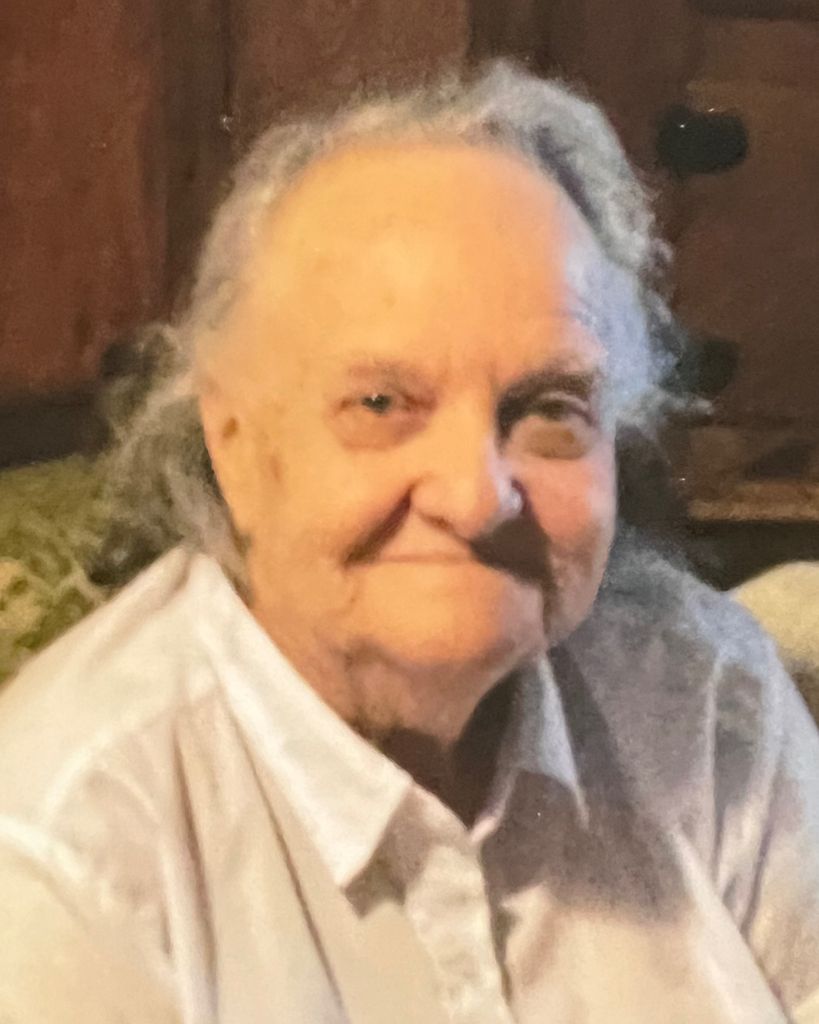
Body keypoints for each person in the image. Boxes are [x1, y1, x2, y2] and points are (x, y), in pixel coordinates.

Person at [0, 62, 817, 1023]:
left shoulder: (707, 704)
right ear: (234, 444)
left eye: (550, 409)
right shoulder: (60, 850)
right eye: (382, 403)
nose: (475, 498)